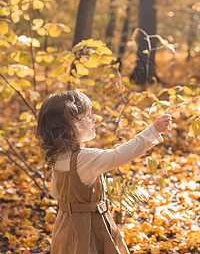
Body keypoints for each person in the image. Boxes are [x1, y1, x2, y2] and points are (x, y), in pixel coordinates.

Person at [37, 90, 171, 254]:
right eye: (87, 116)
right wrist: (152, 131)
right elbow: (119, 155)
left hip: (64, 227)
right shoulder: (86, 158)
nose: (94, 119)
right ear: (69, 129)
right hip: (91, 227)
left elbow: (56, 193)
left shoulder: (58, 158)